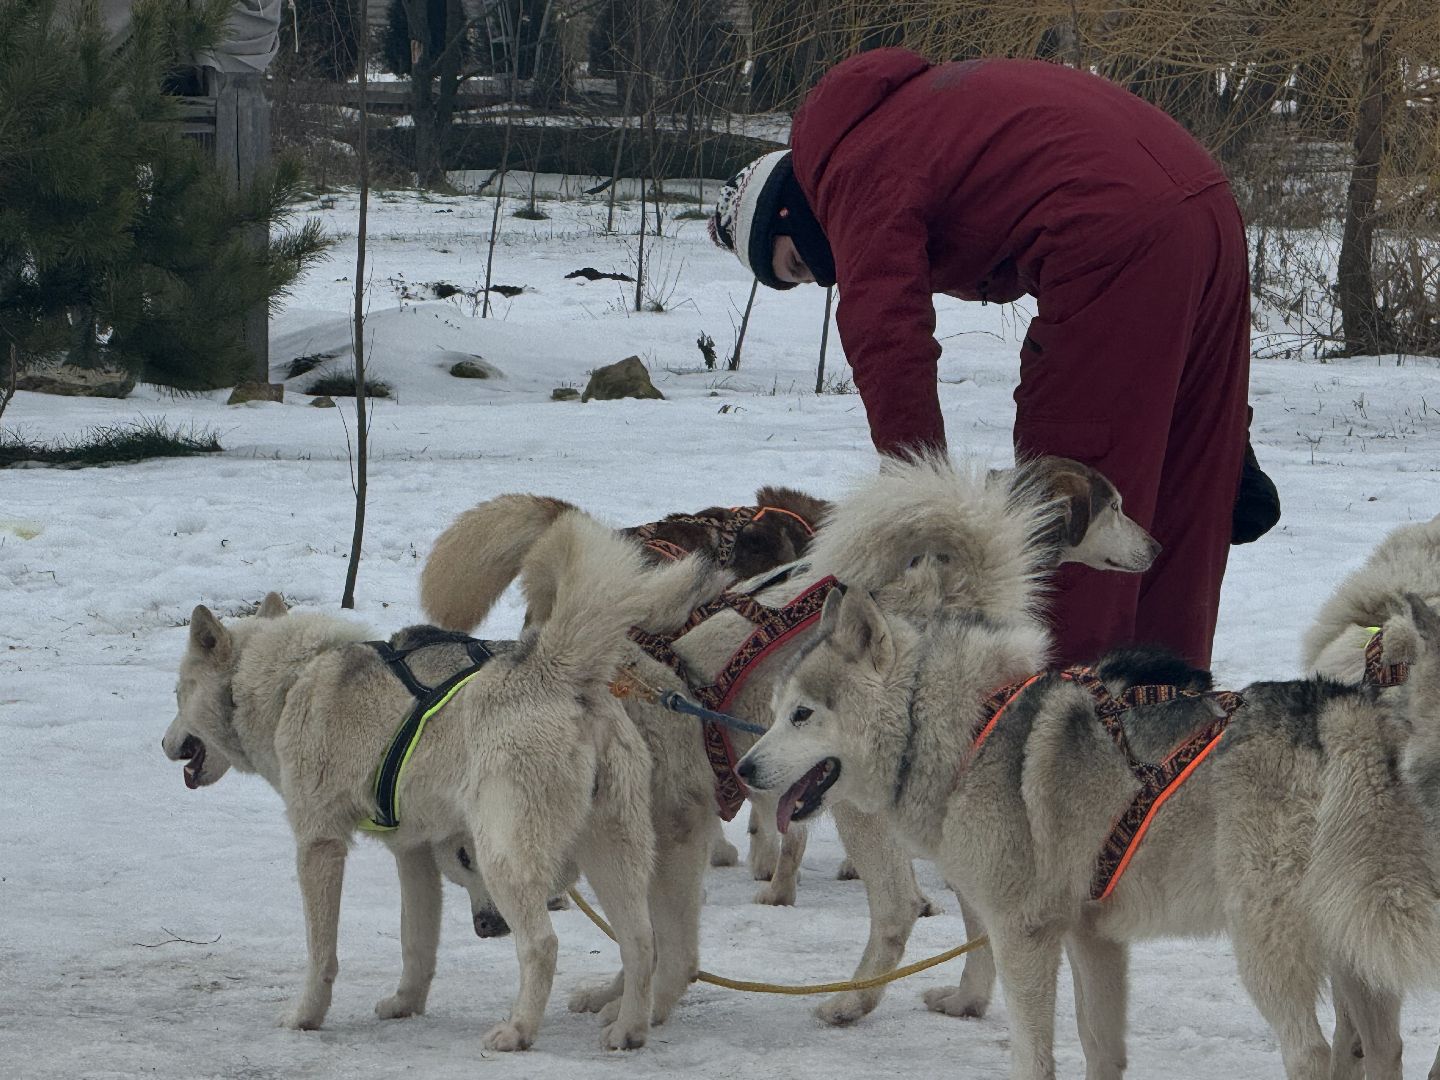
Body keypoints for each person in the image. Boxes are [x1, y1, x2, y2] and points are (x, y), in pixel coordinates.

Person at [709, 48, 1280, 671]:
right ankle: (1170, 707)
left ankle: (1063, 705)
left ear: (789, 207)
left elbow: (887, 336)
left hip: (1112, 230)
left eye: (797, 262)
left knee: (1066, 497)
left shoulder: (852, 166)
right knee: (1190, 475)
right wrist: (1226, 436)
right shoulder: (915, 113)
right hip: (1207, 203)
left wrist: (924, 503)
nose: (823, 275)